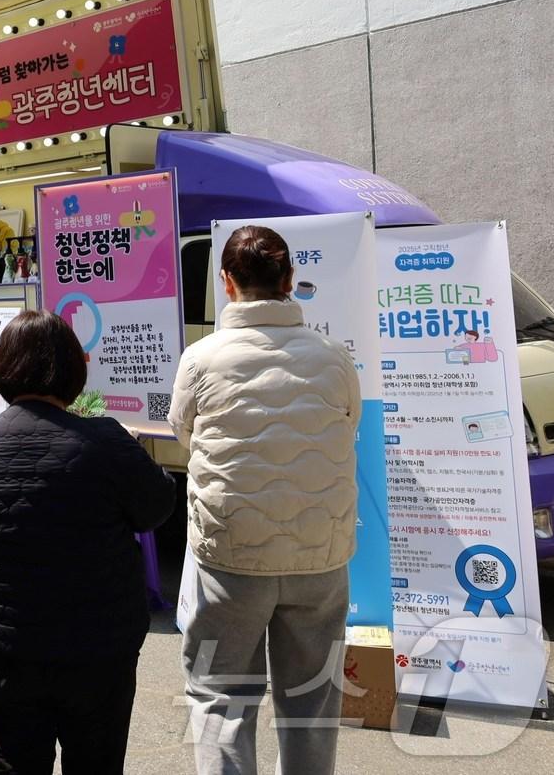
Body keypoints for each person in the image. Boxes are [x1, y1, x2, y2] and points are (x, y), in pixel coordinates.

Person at [168, 225, 361, 775]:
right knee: (311, 705)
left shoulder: (201, 359)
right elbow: (348, 426)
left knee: (219, 699)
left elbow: (184, 434)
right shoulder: (333, 356)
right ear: (290, 281)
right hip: (320, 559)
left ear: (227, 283)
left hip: (230, 559)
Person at [0, 310, 173, 773]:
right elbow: (156, 507)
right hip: (99, 648)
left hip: (10, 649)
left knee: (12, 762)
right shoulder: (104, 440)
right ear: (70, 368)